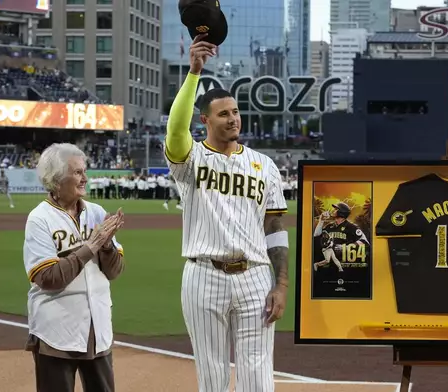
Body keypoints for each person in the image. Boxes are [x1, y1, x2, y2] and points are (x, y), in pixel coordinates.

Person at [164, 33, 289, 392]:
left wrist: (280, 286)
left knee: (257, 376)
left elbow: (275, 227)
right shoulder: (191, 159)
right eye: (223, 114)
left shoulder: (264, 165)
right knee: (213, 375)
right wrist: (193, 74)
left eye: (235, 111)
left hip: (254, 276)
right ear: (205, 120)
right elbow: (175, 130)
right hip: (204, 275)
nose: (233, 119)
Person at [22, 143, 126, 392]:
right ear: (57, 179)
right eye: (77, 172)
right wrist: (90, 247)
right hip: (56, 329)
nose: (85, 178)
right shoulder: (40, 219)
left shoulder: (97, 212)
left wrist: (107, 246)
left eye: (84, 171)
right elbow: (48, 278)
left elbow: (114, 271)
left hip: (97, 327)